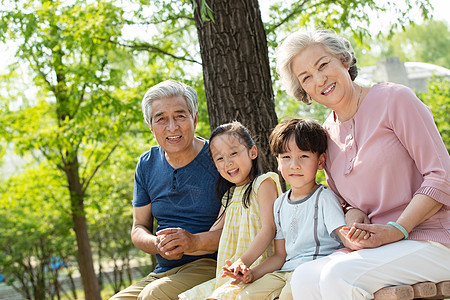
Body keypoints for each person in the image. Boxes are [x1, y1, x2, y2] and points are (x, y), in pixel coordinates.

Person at [275, 29, 450, 299]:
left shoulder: (395, 100)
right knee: (304, 278)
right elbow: (346, 203)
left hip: (433, 238)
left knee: (339, 277)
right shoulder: (326, 136)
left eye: (323, 65)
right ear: (304, 91)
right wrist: (354, 223)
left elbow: (441, 176)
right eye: (306, 77)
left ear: (344, 60)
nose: (320, 79)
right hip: (378, 248)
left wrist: (396, 229)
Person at [110, 80, 222, 300]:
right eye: (161, 119)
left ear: (195, 119)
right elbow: (139, 227)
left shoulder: (219, 158)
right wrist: (157, 244)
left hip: (211, 264)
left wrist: (194, 242)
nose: (172, 127)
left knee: (153, 295)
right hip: (163, 271)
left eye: (180, 116)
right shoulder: (146, 164)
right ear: (151, 126)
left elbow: (240, 226)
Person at [229, 118, 352, 300]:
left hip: (313, 270)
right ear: (278, 163)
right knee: (245, 296)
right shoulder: (279, 204)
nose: (294, 164)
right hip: (285, 270)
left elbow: (344, 239)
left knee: (288, 295)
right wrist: (252, 274)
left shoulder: (324, 197)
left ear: (320, 161)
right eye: (286, 157)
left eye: (303, 156)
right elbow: (280, 256)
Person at [179, 121, 282, 300]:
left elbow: (269, 229)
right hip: (230, 275)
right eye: (219, 158)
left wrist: (243, 262)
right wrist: (182, 247)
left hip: (257, 269)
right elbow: (213, 235)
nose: (228, 163)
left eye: (233, 153)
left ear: (252, 152)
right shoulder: (229, 196)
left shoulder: (264, 183)